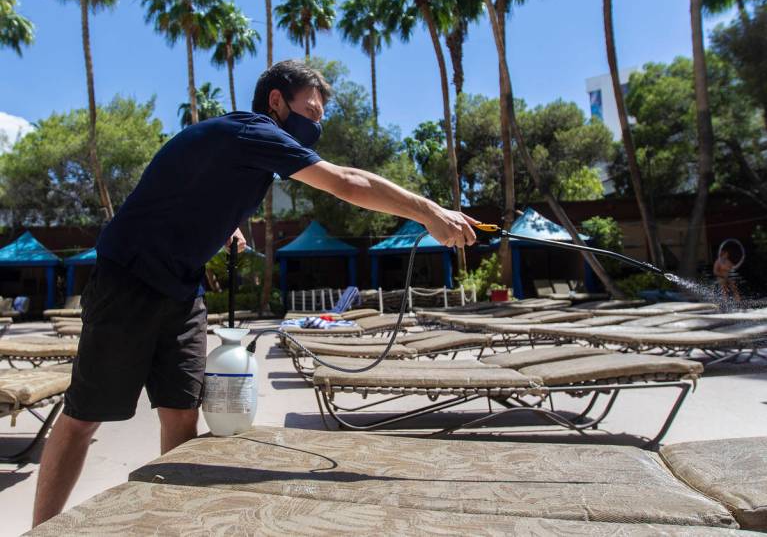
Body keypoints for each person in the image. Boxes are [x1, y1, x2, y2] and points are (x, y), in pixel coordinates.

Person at [32, 60, 477, 527]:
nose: (317, 124)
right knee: (85, 418)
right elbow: (347, 182)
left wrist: (231, 226)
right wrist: (428, 211)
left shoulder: (249, 152)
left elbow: (194, 186)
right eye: (311, 110)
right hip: (128, 280)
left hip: (183, 290)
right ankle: (39, 527)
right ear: (276, 102)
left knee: (182, 415)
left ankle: (173, 522)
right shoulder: (251, 130)